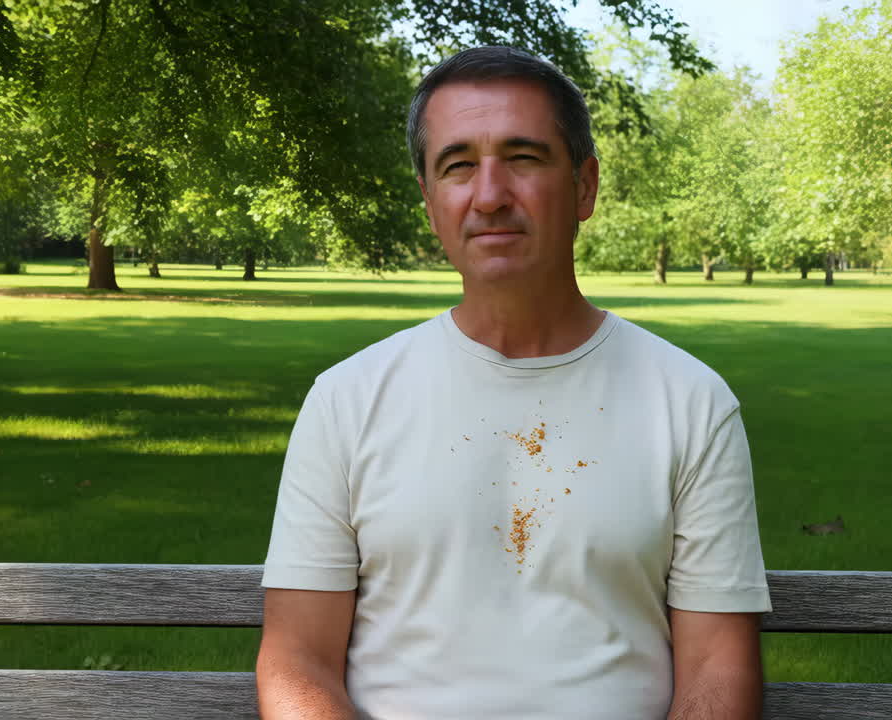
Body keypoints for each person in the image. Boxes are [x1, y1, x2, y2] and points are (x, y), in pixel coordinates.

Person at [255, 45, 771, 720]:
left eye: (523, 159)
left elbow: (717, 668)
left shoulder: (691, 403)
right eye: (458, 165)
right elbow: (296, 661)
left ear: (584, 186)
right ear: (430, 199)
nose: (490, 195)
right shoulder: (347, 401)